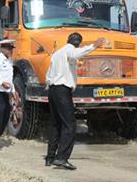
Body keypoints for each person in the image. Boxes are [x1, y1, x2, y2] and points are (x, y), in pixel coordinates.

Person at [45, 32, 105, 170]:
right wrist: (94, 45)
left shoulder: (56, 54)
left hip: (52, 90)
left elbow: (48, 75)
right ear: (78, 43)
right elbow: (75, 54)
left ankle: (50, 158)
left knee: (56, 124)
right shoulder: (70, 50)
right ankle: (61, 158)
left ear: (68, 40)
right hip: (62, 90)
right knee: (70, 124)